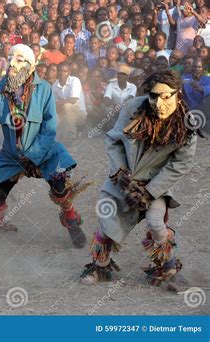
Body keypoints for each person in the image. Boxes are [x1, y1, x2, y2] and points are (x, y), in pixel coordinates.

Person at [0, 44, 89, 248]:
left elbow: (49, 128)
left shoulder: (44, 89)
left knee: (60, 187)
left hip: (44, 151)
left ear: (30, 66)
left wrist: (34, 155)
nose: (12, 63)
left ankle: (71, 220)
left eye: (19, 60)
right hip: (12, 153)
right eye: (11, 57)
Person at [81, 70, 199, 286]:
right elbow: (113, 140)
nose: (158, 103)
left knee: (155, 223)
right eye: (153, 96)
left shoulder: (186, 125)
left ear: (177, 94)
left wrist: (150, 190)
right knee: (107, 223)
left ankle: (169, 267)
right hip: (123, 181)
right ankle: (100, 267)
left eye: (166, 96)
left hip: (156, 185)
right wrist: (120, 172)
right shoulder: (133, 107)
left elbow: (180, 164)